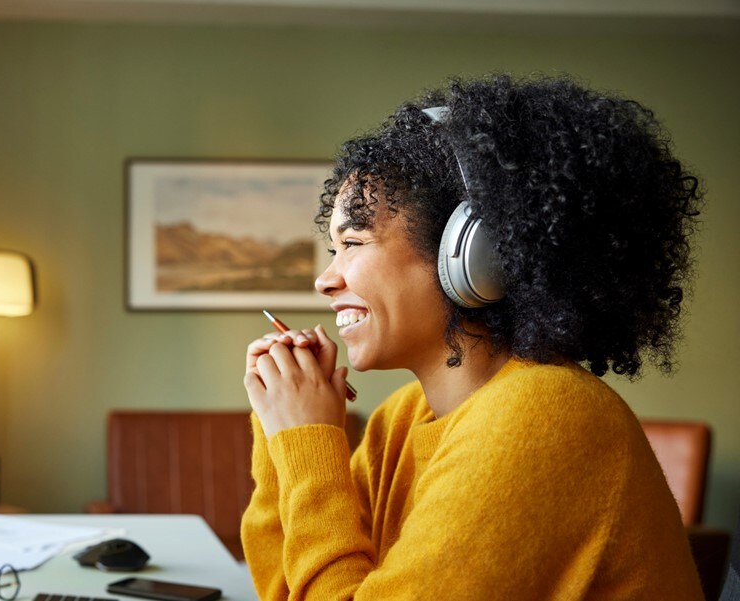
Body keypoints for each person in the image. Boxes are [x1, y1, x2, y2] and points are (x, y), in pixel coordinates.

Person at [241, 75, 703, 599]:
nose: (325, 280)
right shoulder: (404, 417)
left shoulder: (544, 415)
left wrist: (308, 441)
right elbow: (288, 589)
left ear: (473, 255)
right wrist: (282, 434)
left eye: (353, 242)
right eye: (333, 249)